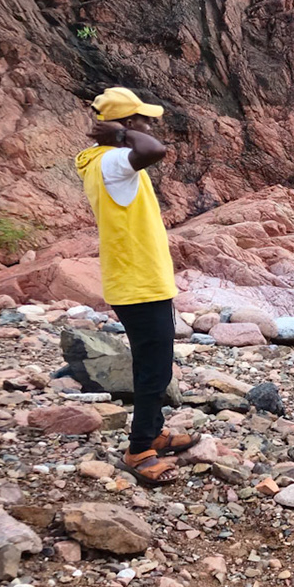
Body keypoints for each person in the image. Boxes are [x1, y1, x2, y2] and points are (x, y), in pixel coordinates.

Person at [77, 87, 194, 484]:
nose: (150, 124)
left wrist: (118, 135)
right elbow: (154, 150)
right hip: (138, 280)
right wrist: (120, 135)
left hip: (138, 277)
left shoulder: (103, 160)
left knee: (152, 362)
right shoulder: (113, 160)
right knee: (154, 368)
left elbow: (150, 148)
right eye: (142, 119)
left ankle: (154, 431)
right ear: (126, 125)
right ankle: (139, 448)